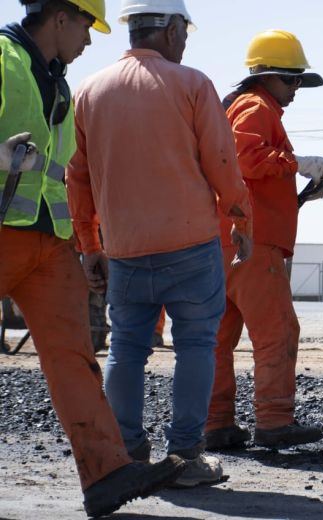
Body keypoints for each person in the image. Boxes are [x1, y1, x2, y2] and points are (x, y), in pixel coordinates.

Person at [0, 2, 184, 517]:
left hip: (48, 242)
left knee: (73, 357)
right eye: (87, 25)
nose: (90, 39)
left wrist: (85, 244)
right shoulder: (2, 59)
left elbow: (65, 174)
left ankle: (106, 472)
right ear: (60, 16)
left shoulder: (60, 83)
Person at [66, 0, 253, 488]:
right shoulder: (191, 84)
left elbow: (77, 178)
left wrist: (89, 244)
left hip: (123, 249)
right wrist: (241, 220)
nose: (186, 40)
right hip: (190, 244)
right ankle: (186, 457)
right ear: (170, 30)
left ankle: (125, 454)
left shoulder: (88, 91)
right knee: (195, 345)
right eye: (184, 31)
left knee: (126, 347)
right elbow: (221, 162)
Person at [205, 29, 323, 450]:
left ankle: (217, 424)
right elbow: (243, 158)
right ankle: (275, 421)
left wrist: (301, 188)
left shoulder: (241, 107)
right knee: (278, 330)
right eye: (292, 80)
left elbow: (246, 174)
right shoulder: (258, 106)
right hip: (253, 245)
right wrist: (298, 162)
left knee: (219, 338)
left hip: (224, 241)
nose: (296, 89)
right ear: (270, 76)